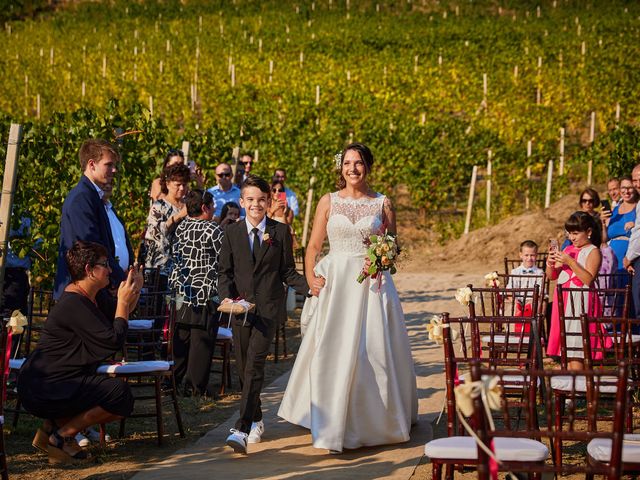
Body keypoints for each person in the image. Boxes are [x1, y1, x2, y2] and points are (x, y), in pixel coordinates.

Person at [278, 143, 418, 454]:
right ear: (341, 168)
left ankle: (374, 419)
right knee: (333, 348)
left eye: (358, 163)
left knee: (373, 350)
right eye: (347, 163)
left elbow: (394, 246)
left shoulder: (383, 203)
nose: (352, 168)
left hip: (372, 285)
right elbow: (313, 246)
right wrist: (311, 279)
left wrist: (380, 260)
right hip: (336, 283)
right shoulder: (327, 201)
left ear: (368, 166)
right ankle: (328, 414)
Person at [17, 241, 143, 463]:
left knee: (122, 400)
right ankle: (62, 436)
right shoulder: (74, 303)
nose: (110, 270)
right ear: (88, 269)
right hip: (44, 386)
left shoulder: (93, 296)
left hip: (65, 379)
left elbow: (119, 315)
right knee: (118, 394)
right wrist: (123, 301)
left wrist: (134, 290)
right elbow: (113, 339)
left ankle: (51, 428)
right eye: (105, 264)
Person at [218, 175, 313, 455]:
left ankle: (241, 427)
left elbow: (286, 272)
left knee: (254, 366)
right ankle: (257, 418)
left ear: (268, 202)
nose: (256, 204)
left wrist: (312, 288)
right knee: (243, 368)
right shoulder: (232, 233)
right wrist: (227, 297)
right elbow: (225, 272)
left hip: (269, 311)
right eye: (250, 199)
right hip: (239, 310)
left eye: (261, 199)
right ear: (242, 201)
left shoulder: (280, 232)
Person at [54, 139, 129, 300]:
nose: (114, 170)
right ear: (92, 164)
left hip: (91, 290)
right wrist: (119, 281)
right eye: (109, 165)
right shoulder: (82, 198)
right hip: (79, 293)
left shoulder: (92, 196)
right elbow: (91, 246)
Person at [169, 190, 224, 396]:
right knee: (202, 340)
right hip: (204, 292)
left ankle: (175, 382)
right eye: (212, 205)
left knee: (181, 339)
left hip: (181, 292)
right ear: (204, 208)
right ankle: (195, 387)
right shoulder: (212, 229)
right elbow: (224, 259)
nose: (214, 209)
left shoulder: (180, 227)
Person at [546, 212, 603, 370]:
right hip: (564, 299)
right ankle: (572, 384)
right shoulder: (568, 249)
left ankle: (578, 387)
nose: (572, 237)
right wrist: (550, 262)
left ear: (589, 232)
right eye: (569, 233)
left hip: (580, 301)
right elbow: (551, 276)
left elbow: (588, 279)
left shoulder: (593, 251)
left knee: (577, 344)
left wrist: (570, 261)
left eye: (576, 233)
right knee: (567, 345)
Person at [143, 163, 190, 289]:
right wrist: (179, 216)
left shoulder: (188, 206)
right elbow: (157, 233)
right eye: (177, 185)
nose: (181, 188)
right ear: (168, 184)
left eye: (184, 185)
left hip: (183, 268)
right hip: (160, 268)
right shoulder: (159, 206)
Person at [602, 176, 638, 273]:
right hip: (611, 260)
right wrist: (603, 223)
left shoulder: (638, 207)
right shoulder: (615, 210)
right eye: (623, 188)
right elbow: (604, 240)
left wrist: (636, 225)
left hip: (630, 260)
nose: (626, 191)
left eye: (629, 188)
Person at [506, 240, 544, 330]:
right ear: (521, 255)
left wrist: (533, 300)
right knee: (511, 309)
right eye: (526, 255)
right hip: (517, 300)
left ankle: (532, 335)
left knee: (535, 308)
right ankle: (512, 335)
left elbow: (541, 293)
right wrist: (515, 300)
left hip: (532, 301)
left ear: (536, 256)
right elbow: (509, 291)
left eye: (532, 255)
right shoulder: (515, 272)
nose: (529, 258)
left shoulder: (540, 272)